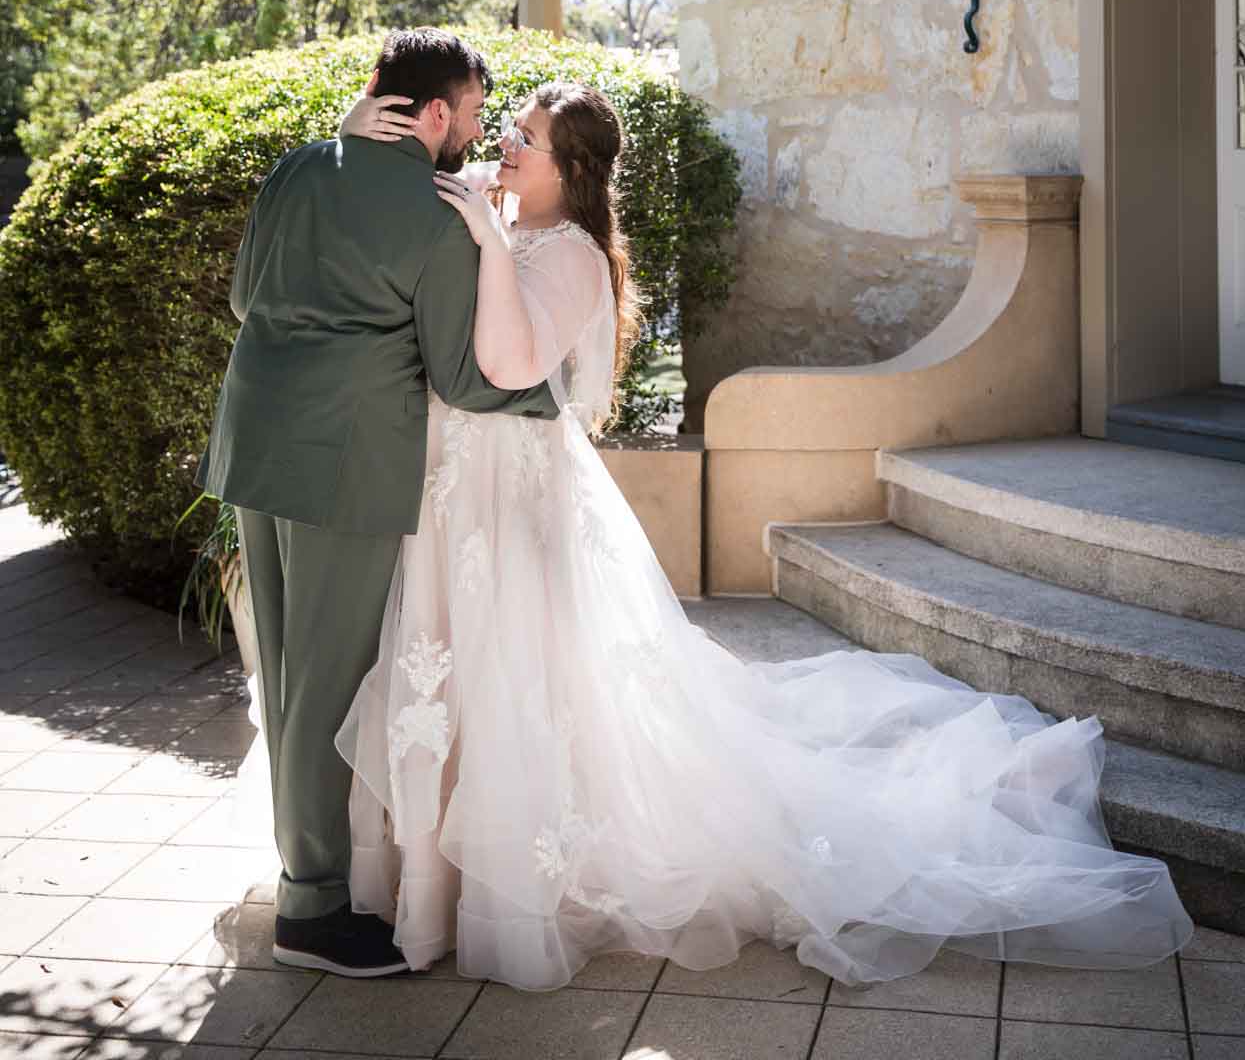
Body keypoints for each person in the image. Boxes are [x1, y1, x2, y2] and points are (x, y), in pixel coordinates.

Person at [328, 79, 1195, 991]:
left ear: (572, 170)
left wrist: (485, 242)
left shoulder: (572, 253)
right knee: (454, 671)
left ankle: (513, 892)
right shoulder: (508, 224)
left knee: (523, 678)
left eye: (524, 139)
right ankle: (429, 884)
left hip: (515, 491)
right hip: (461, 488)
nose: (502, 147)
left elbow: (506, 362)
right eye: (505, 131)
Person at [197, 28, 559, 979]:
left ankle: (300, 875)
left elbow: (244, 297)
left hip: (254, 440)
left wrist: (332, 146)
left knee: (281, 670)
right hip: (344, 462)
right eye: (474, 114)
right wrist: (549, 393)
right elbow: (464, 376)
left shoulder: (297, 167)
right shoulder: (440, 215)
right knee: (324, 679)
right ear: (433, 112)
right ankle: (311, 910)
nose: (476, 135)